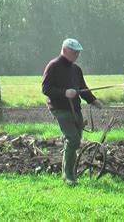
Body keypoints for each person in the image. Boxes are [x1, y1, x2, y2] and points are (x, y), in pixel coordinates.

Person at [42, 38, 103, 185]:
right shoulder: (53, 66)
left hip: (75, 108)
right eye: (75, 52)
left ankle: (68, 173)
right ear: (65, 50)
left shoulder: (76, 69)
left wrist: (93, 100)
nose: (77, 55)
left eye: (78, 53)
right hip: (60, 108)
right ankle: (68, 176)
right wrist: (64, 92)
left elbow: (82, 88)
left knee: (74, 141)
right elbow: (46, 89)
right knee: (73, 139)